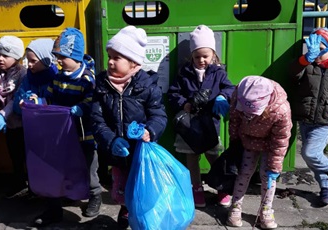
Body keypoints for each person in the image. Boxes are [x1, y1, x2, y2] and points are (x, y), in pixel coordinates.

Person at [91, 25, 167, 229]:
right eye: (109, 56)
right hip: (118, 155)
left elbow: (159, 115)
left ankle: (143, 215)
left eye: (117, 57)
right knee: (121, 191)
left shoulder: (148, 86)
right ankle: (126, 210)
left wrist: (149, 131)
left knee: (142, 190)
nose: (110, 61)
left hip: (141, 153)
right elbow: (96, 120)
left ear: (134, 62)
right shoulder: (101, 85)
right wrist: (112, 140)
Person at [29, 28, 101, 227]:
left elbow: (92, 102)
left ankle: (95, 196)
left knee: (89, 170)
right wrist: (40, 100)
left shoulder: (87, 79)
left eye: (62, 57)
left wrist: (82, 108)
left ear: (76, 57)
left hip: (84, 136)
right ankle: (57, 206)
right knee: (61, 170)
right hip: (62, 136)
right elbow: (50, 97)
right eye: (57, 56)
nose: (59, 61)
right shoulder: (58, 77)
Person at [168, 24, 235, 208]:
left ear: (213, 54)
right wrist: (184, 104)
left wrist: (223, 97)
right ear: (191, 56)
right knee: (192, 157)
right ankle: (196, 188)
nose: (201, 60)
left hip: (211, 122)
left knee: (214, 155)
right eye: (197, 56)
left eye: (205, 56)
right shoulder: (184, 73)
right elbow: (173, 93)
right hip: (190, 124)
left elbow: (229, 88)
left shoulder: (219, 72)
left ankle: (222, 187)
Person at [289, 27, 328, 206]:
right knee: (313, 156)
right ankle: (326, 187)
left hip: (326, 120)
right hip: (306, 117)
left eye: (319, 46)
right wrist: (305, 59)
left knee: (310, 153)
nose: (314, 50)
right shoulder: (307, 66)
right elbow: (292, 74)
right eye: (312, 46)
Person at [226, 76, 292, 229]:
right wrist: (234, 142)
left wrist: (275, 167)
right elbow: (234, 120)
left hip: (270, 144)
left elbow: (280, 140)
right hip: (247, 139)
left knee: (267, 175)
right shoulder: (239, 94)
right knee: (244, 171)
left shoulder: (281, 110)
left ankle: (266, 209)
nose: (249, 116)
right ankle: (235, 206)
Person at [0, 35, 28, 199]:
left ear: (17, 56)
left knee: (27, 156)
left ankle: (33, 185)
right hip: (8, 126)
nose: (0, 58)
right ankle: (19, 182)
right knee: (15, 155)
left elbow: (15, 99)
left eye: (5, 55)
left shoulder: (22, 74)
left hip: (22, 123)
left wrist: (3, 114)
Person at [13, 38, 58, 115]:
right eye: (28, 60)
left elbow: (57, 104)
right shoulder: (27, 79)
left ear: (46, 60)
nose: (29, 64)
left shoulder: (56, 80)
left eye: (33, 61)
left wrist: (39, 102)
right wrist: (25, 98)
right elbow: (16, 106)